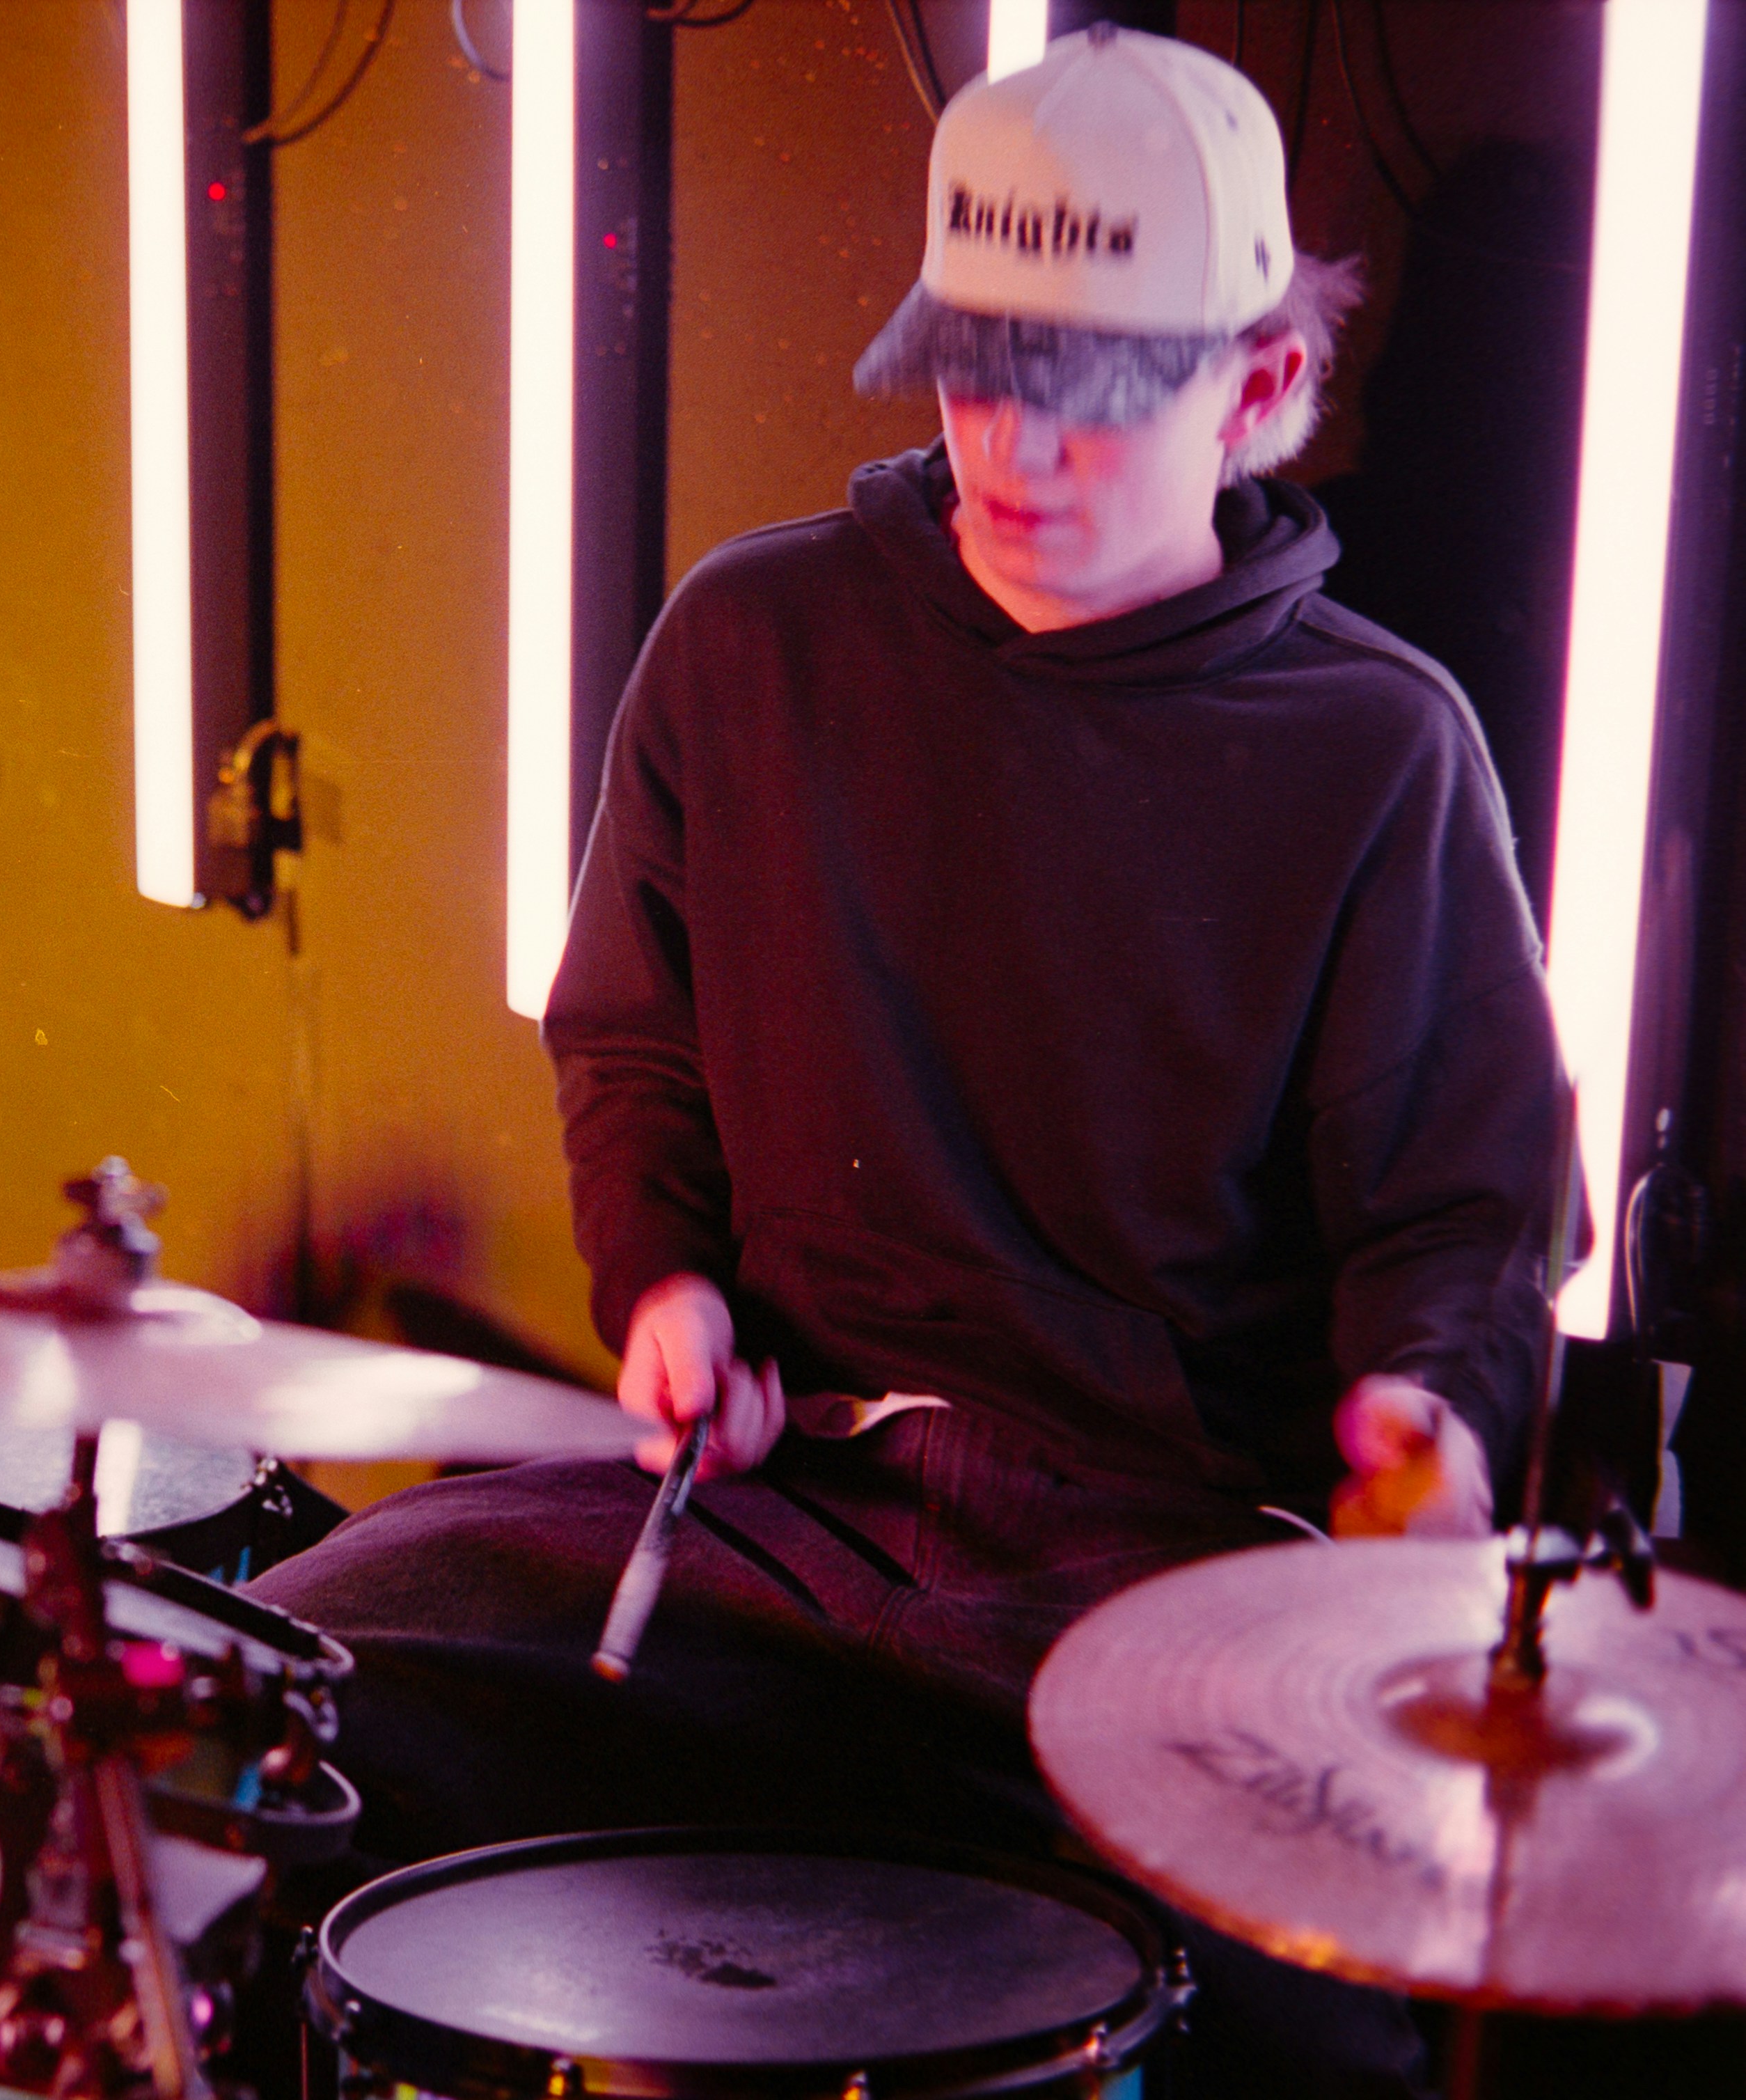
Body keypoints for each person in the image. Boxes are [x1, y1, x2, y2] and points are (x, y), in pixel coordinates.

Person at [247, 26, 1568, 2096]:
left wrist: (1428, 1426)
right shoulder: (750, 639)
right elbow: (633, 1042)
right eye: (973, 376)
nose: (1013, 452)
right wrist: (666, 1286)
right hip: (783, 1512)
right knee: (264, 1708)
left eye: (1092, 396)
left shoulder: (1383, 749)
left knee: (1312, 2040)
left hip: (1157, 1582)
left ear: (1259, 388)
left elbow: (1462, 1213)